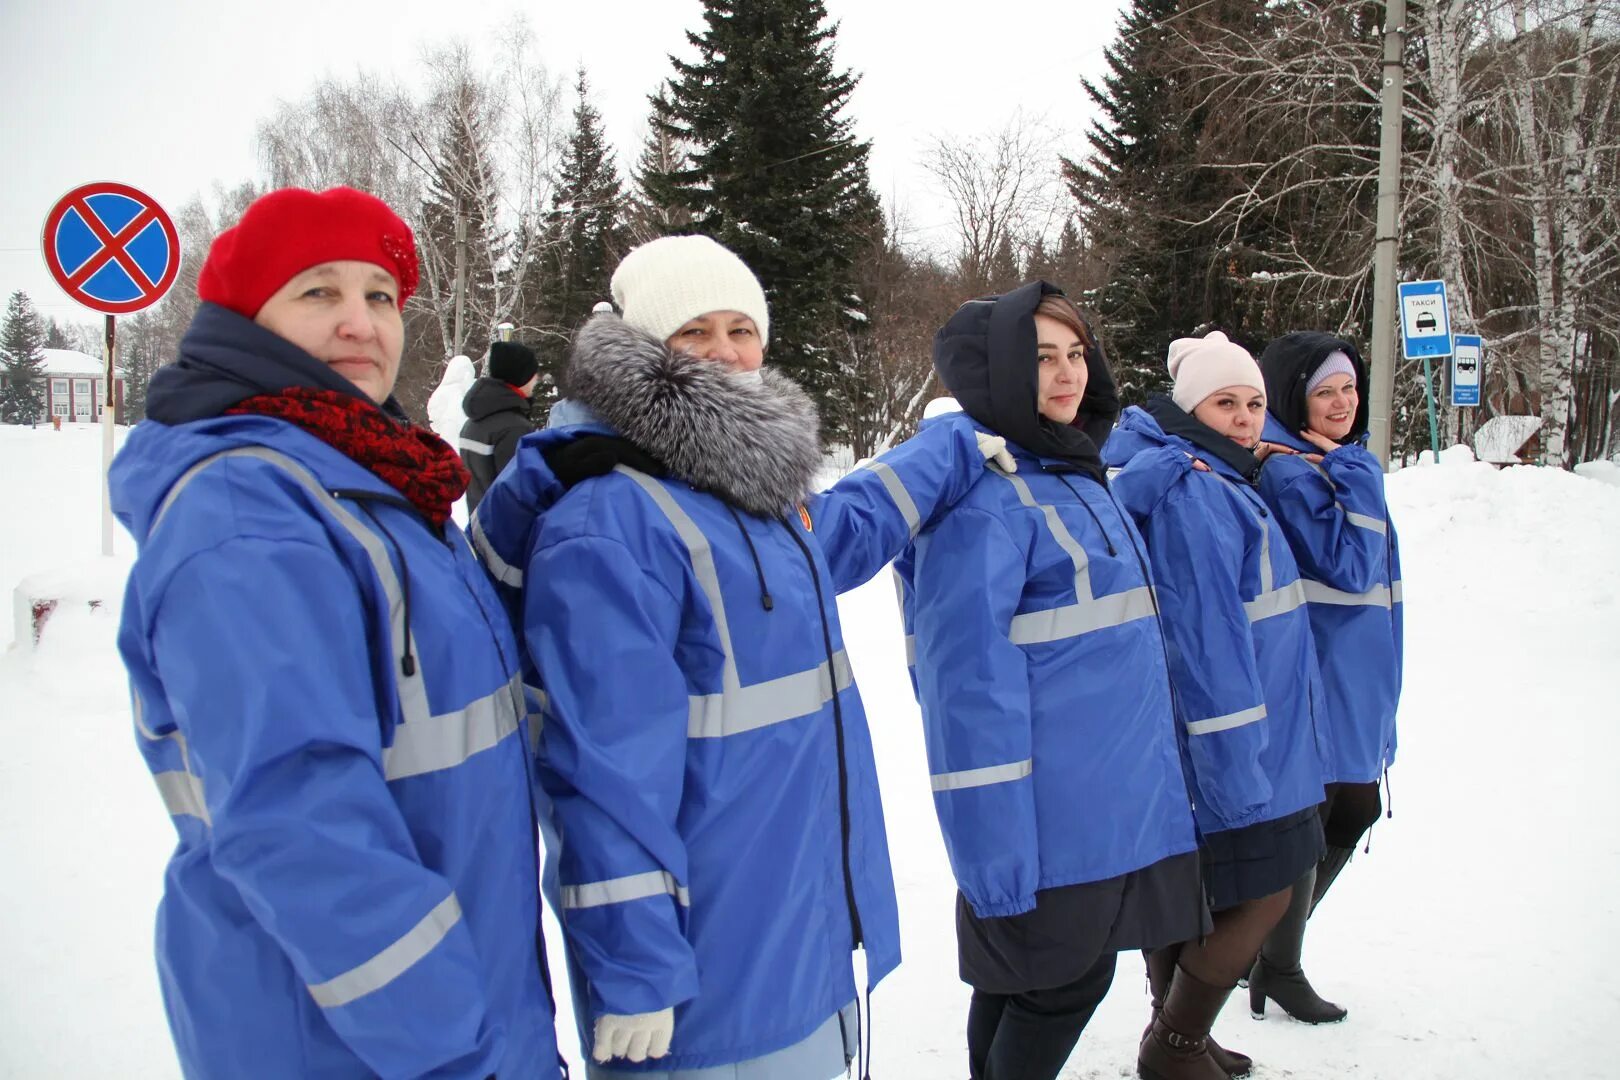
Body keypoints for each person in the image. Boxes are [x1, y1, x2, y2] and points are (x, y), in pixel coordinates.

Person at [470, 234, 1012, 1079]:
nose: (726, 351)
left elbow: (849, 525)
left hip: (798, 938)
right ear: (647, 350)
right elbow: (599, 773)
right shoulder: (611, 521)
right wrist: (634, 966)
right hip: (701, 981)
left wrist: (949, 446)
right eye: (693, 331)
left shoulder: (748, 495)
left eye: (741, 328)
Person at [109, 186, 561, 1078]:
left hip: (453, 1010)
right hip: (356, 1041)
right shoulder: (251, 512)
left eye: (380, 296)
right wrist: (454, 1050)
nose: (360, 323)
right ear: (249, 319)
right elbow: (300, 829)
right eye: (318, 292)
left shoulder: (375, 481)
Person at [893, 282, 1205, 1080]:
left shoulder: (1069, 471)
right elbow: (966, 694)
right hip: (1044, 822)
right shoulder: (989, 504)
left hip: (1103, 808)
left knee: (1029, 984)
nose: (1068, 374)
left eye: (1075, 353)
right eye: (1040, 359)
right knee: (1061, 984)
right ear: (995, 372)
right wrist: (997, 858)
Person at [1102, 331, 1330, 1080]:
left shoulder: (1223, 477)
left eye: (1254, 403)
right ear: (1190, 408)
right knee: (1267, 888)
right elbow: (1206, 645)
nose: (1242, 417)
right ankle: (1173, 1045)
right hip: (1242, 740)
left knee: (1196, 893)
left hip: (1261, 732)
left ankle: (1181, 1033)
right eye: (1224, 402)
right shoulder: (1198, 492)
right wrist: (1236, 764)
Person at [1246, 332, 1403, 1024]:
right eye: (1324, 391)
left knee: (1349, 808)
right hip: (1322, 664)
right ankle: (1273, 962)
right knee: (1316, 817)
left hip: (1360, 669)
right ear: (1293, 398)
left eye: (1349, 387)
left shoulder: (1330, 459)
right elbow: (1347, 565)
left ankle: (1268, 956)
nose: (1342, 403)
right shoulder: (1291, 469)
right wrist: (1360, 476)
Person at [461, 340, 541, 511]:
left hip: (480, 525)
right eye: (532, 373)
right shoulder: (514, 429)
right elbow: (521, 494)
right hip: (506, 532)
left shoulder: (474, 421)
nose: (536, 379)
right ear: (521, 376)